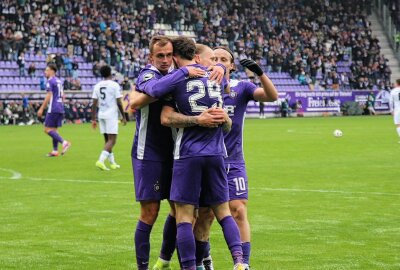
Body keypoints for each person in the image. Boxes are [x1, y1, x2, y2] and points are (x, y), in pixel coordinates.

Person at [143, 37, 245, 270]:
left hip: (188, 154)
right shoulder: (215, 77)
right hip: (218, 153)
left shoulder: (175, 80)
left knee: (184, 217)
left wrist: (196, 119)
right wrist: (220, 66)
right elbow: (226, 121)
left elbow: (165, 117)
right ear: (197, 56)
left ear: (176, 57)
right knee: (224, 212)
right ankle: (239, 261)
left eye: (170, 57)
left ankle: (189, 267)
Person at [194, 46, 278, 270]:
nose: (219, 61)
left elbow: (271, 96)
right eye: (215, 58)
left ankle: (243, 264)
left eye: (224, 59)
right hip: (207, 159)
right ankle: (205, 259)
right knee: (205, 215)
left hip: (234, 160)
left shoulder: (241, 88)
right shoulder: (198, 88)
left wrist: (260, 73)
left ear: (231, 65)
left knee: (238, 209)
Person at [91, 65, 127, 171]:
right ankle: (101, 161)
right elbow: (119, 102)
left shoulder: (97, 85)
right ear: (110, 73)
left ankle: (112, 163)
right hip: (111, 115)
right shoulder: (114, 85)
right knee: (112, 140)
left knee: (107, 140)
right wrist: (123, 116)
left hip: (101, 114)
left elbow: (94, 103)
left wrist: (93, 119)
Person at [37, 63, 71, 157]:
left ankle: (64, 143)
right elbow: (63, 95)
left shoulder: (50, 81)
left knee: (47, 129)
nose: (45, 72)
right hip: (60, 107)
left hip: (53, 108)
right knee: (54, 130)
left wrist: (41, 108)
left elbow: (49, 95)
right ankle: (55, 151)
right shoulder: (59, 81)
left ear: (52, 71)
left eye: (47, 70)